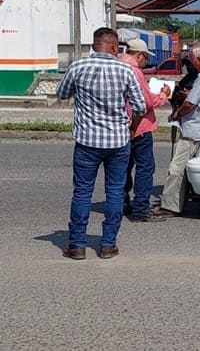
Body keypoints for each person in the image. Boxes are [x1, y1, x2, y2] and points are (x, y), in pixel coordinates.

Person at [56, 27, 146, 259]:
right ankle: (107, 244)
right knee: (115, 192)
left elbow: (62, 93)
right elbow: (140, 106)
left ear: (94, 44)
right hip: (118, 141)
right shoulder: (125, 70)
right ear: (115, 46)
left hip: (87, 141)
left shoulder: (77, 66)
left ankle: (76, 245)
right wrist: (127, 121)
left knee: (82, 192)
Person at [149, 43, 200, 220]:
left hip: (196, 130)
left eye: (193, 62)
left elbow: (189, 104)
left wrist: (176, 115)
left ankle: (170, 205)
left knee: (176, 169)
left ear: (199, 60)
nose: (192, 66)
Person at [120, 38, 172, 222]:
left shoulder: (118, 67)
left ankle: (121, 203)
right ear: (139, 55)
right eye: (145, 58)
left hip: (121, 127)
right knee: (145, 167)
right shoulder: (135, 71)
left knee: (123, 168)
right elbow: (145, 102)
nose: (146, 62)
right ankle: (141, 208)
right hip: (140, 125)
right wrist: (163, 95)